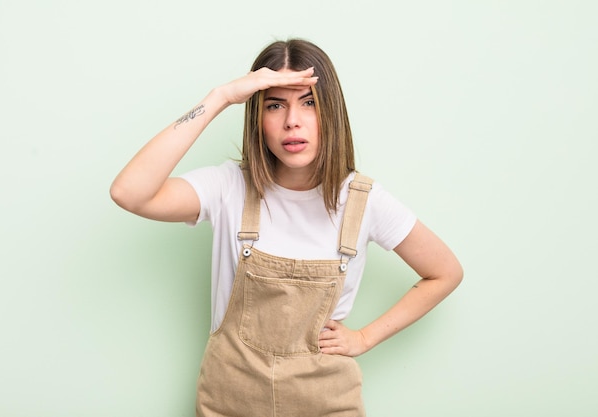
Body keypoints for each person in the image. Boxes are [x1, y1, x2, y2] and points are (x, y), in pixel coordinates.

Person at [110, 38, 463, 417]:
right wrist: (221, 96)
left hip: (327, 403)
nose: (292, 120)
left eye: (308, 103)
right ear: (257, 119)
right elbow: (130, 192)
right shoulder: (229, 187)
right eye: (274, 105)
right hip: (229, 401)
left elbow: (445, 273)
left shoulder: (363, 200)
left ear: (331, 113)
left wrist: (365, 337)